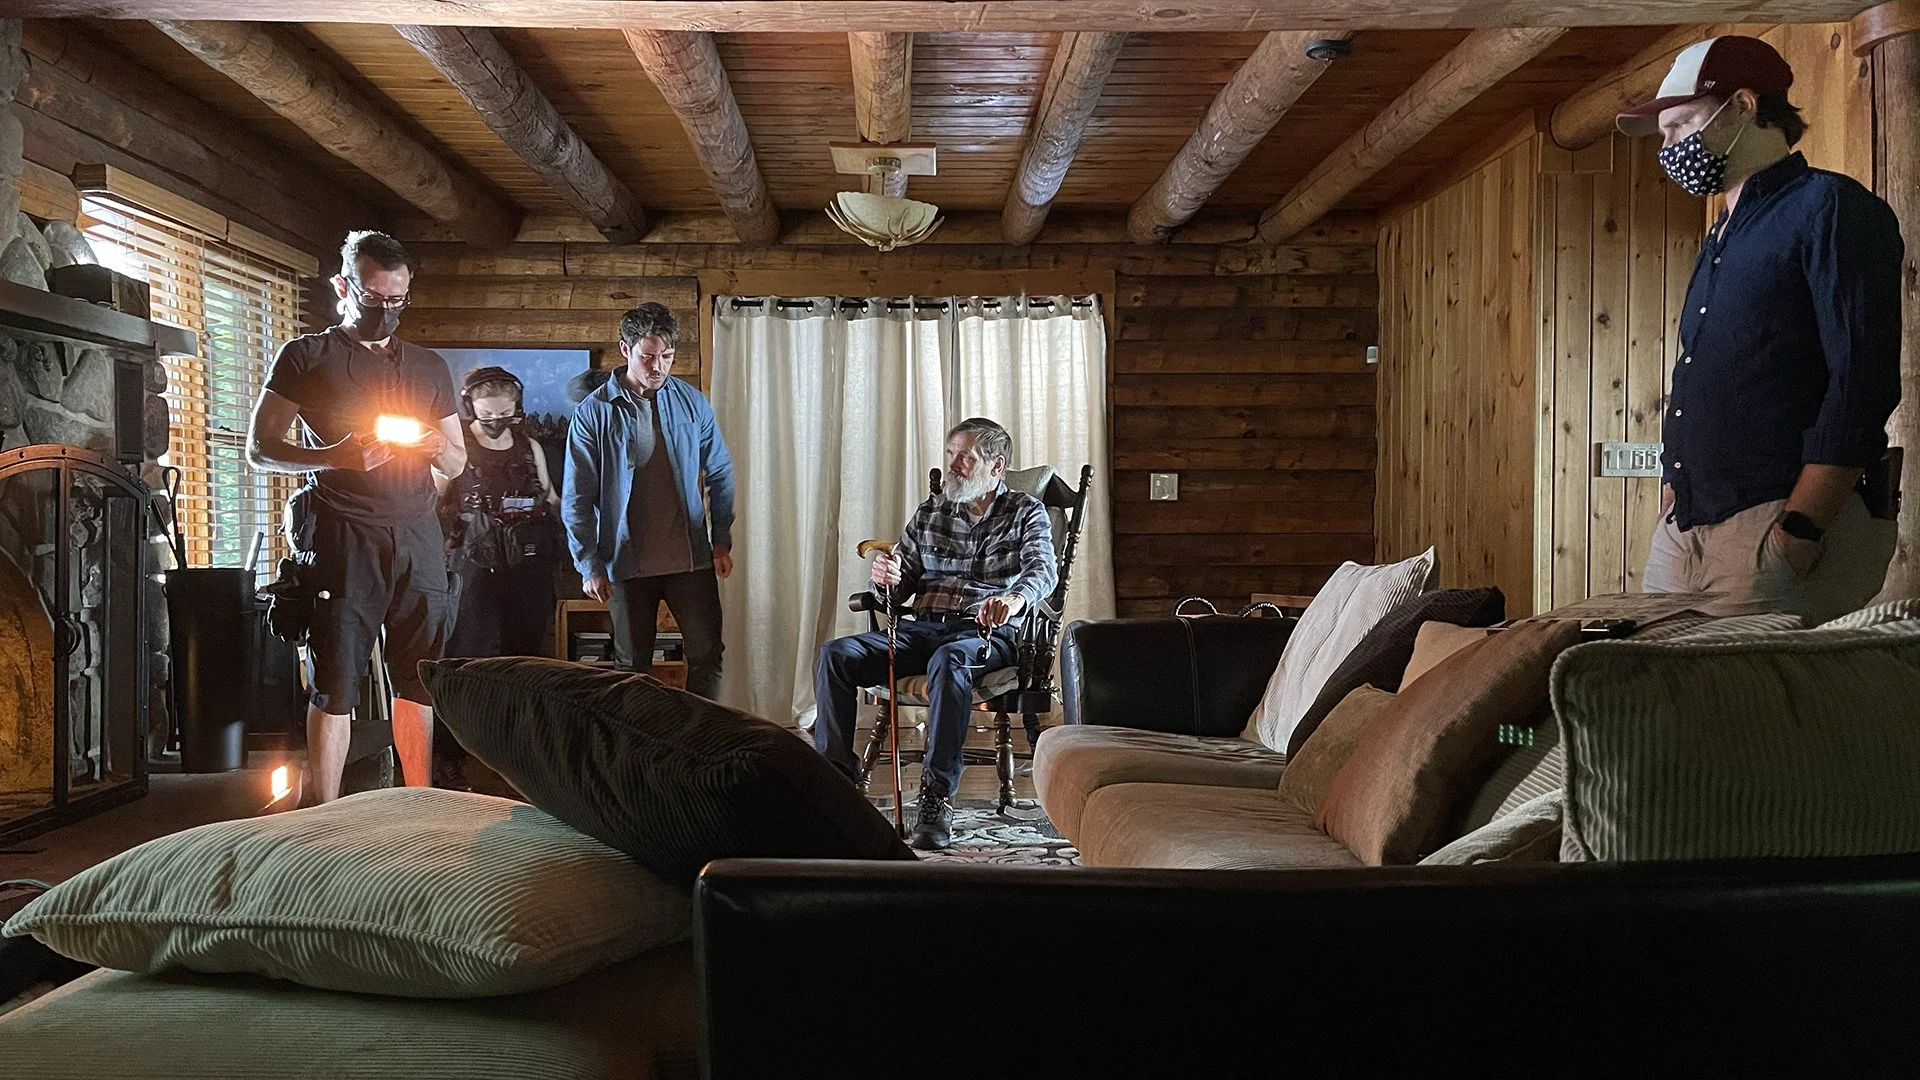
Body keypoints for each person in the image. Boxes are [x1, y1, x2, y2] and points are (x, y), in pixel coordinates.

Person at [1617, 35, 1903, 624]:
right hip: (1684, 528)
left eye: (1681, 125)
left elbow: (1862, 380)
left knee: (1745, 688)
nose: (1669, 148)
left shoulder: (1830, 207)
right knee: (1651, 681)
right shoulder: (1720, 236)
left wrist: (1799, 529)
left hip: (1773, 526)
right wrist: (1672, 496)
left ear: (1744, 106)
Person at [246, 230, 466, 804]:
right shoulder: (305, 357)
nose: (386, 310)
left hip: (417, 536)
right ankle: (324, 812)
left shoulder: (428, 366)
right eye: (374, 297)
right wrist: (336, 456)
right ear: (343, 287)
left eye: (398, 300)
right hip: (342, 536)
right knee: (336, 681)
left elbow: (457, 460)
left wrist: (434, 447)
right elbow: (259, 448)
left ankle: (418, 803)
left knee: (418, 680)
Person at [812, 418, 1058, 851]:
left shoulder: (1025, 512)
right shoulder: (932, 511)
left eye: (966, 457)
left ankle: (936, 795)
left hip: (985, 632)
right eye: (950, 454)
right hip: (922, 629)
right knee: (836, 655)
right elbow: (900, 581)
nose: (954, 465)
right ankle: (835, 783)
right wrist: (886, 580)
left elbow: (1044, 570)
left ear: (996, 466)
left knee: (950, 661)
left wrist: (1013, 600)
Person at [563, 302, 735, 699]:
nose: (658, 367)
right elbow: (577, 496)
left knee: (708, 653)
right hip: (625, 561)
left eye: (667, 357)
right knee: (632, 666)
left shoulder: (692, 403)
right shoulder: (593, 413)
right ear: (626, 349)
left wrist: (721, 538)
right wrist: (588, 564)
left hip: (690, 558)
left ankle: (698, 735)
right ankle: (637, 738)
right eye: (648, 356)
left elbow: (720, 470)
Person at [438, 365, 562, 659]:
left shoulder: (529, 447)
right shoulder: (456, 447)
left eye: (505, 413)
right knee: (468, 647)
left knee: (526, 651)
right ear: (470, 406)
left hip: (527, 565)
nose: (496, 421)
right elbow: (433, 501)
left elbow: (550, 498)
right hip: (471, 565)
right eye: (487, 414)